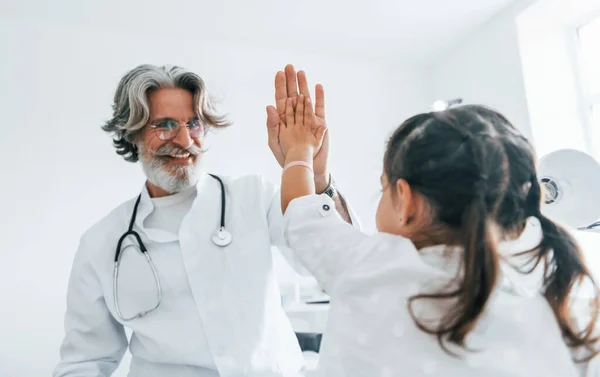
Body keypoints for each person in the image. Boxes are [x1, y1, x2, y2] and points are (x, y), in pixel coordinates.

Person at [53, 63, 357, 377]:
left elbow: (340, 267)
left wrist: (317, 178)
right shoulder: (102, 242)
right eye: (166, 124)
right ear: (133, 134)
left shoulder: (255, 196)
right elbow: (84, 363)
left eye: (194, 123)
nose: (185, 139)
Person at [277, 101, 600, 377]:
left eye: (383, 187)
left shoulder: (371, 266)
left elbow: (301, 213)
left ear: (405, 200)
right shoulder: (556, 298)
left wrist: (298, 152)